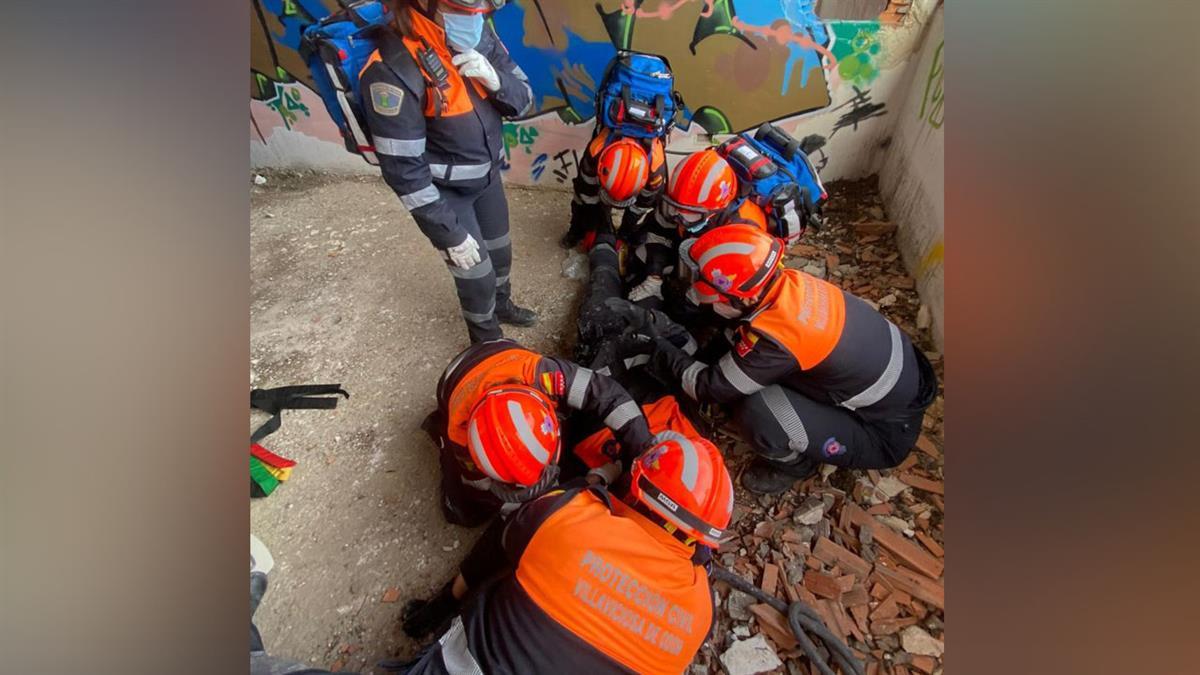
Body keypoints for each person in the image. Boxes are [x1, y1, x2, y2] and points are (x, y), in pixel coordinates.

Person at [625, 224, 938, 495]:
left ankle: (796, 465)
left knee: (756, 408)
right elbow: (739, 334)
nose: (695, 288)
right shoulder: (784, 285)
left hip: (882, 432)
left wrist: (661, 349)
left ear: (744, 296)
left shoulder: (777, 337)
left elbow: (709, 387)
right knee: (739, 355)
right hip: (897, 378)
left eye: (703, 284)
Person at [397, 431, 734, 674]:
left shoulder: (567, 515)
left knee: (520, 556)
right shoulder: (700, 611)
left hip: (464, 668)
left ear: (634, 487)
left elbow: (499, 548)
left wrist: (593, 486)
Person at [359, 0, 537, 344]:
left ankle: (502, 306)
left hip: (486, 178)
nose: (475, 17)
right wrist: (448, 234)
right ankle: (487, 339)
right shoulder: (391, 69)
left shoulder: (480, 35)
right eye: (464, 7)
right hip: (445, 193)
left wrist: (495, 79)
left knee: (500, 255)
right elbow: (403, 172)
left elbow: (524, 98)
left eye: (481, 9)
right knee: (476, 275)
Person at [427, 338, 654, 526]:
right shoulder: (458, 433)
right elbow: (480, 487)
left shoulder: (542, 373)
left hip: (501, 350)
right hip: (451, 383)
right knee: (462, 508)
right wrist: (531, 508)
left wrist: (642, 449)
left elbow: (608, 394)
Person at [625, 148, 770, 311]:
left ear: (715, 210)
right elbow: (658, 231)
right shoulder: (679, 198)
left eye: (691, 215)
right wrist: (654, 275)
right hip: (687, 253)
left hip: (719, 278)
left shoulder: (742, 230)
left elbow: (731, 287)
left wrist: (691, 297)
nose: (679, 218)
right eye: (675, 209)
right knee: (639, 255)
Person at [561, 128, 668, 250]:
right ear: (601, 169)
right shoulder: (594, 153)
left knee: (659, 201)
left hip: (647, 171)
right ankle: (576, 231)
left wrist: (624, 234)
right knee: (580, 196)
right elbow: (587, 193)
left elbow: (640, 206)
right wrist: (593, 226)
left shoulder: (655, 171)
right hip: (603, 154)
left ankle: (632, 236)